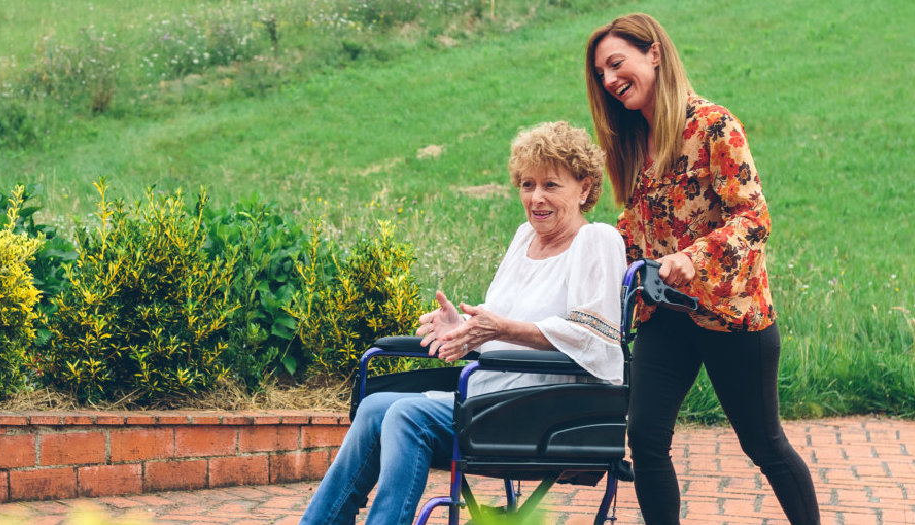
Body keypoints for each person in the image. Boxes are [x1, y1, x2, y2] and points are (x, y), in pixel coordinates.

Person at [299, 121, 627, 525]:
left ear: (585, 187)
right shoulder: (525, 239)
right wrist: (463, 331)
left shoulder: (597, 241)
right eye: (527, 185)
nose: (536, 198)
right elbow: (497, 329)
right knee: (373, 408)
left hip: (544, 413)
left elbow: (597, 342)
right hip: (488, 398)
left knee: (405, 414)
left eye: (551, 185)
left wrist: (502, 328)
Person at [582, 13, 820, 525]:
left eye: (616, 63)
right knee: (645, 439)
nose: (608, 80)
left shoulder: (714, 126)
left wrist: (692, 258)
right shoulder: (631, 141)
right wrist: (584, 255)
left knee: (763, 444)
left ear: (655, 54)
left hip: (731, 317)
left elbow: (754, 218)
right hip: (664, 318)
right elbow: (635, 229)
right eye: (600, 73)